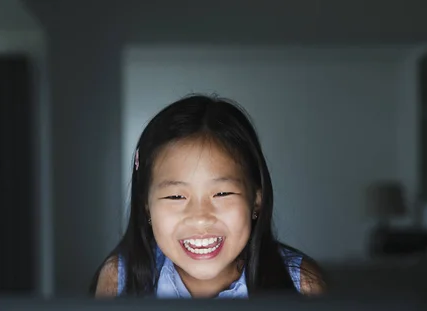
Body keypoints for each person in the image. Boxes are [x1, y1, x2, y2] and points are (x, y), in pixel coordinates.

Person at [90, 94, 325, 298]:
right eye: (175, 197)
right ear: (146, 206)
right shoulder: (119, 280)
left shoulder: (301, 284)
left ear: (256, 199)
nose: (201, 218)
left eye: (221, 193)